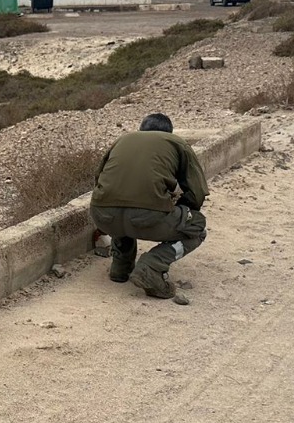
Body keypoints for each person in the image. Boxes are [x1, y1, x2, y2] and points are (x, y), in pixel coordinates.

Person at [89, 113, 208, 299]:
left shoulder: (122, 140)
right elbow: (196, 192)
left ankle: (120, 267)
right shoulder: (177, 143)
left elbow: (99, 179)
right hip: (147, 218)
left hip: (102, 215)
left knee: (122, 207)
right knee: (197, 227)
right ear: (169, 132)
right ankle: (152, 265)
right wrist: (182, 208)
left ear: (141, 129)